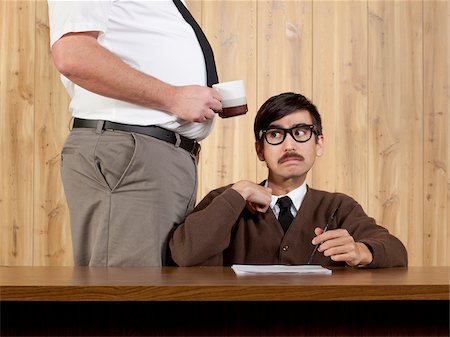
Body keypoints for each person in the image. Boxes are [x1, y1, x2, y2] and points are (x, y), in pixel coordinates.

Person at [47, 0, 222, 266]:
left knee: (145, 289)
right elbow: (73, 54)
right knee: (125, 290)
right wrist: (173, 97)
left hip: (152, 157)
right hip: (133, 155)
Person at [169, 92, 408, 267]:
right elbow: (184, 253)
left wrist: (361, 251)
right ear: (260, 150)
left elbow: (397, 252)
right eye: (275, 135)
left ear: (319, 144)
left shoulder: (339, 207)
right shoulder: (227, 200)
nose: (289, 145)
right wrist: (239, 191)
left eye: (301, 132)